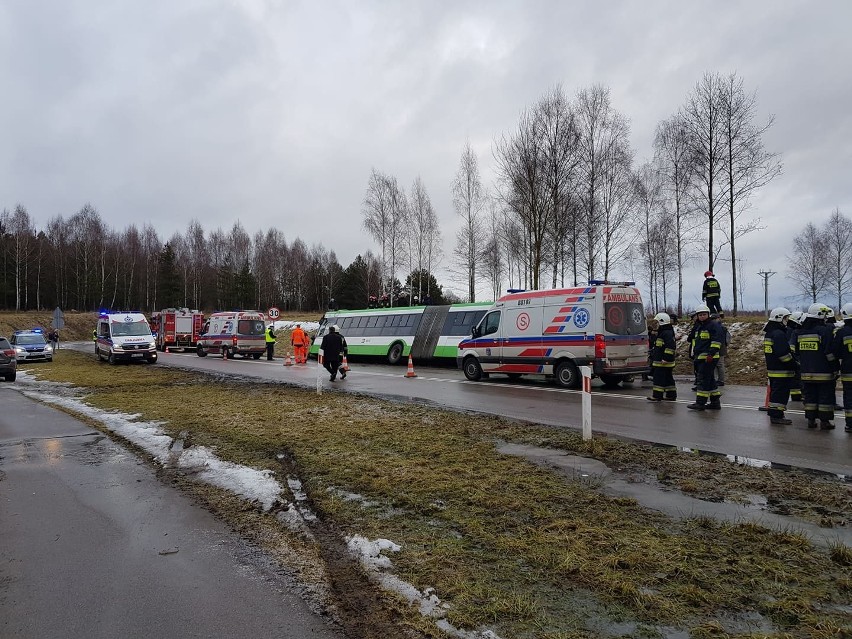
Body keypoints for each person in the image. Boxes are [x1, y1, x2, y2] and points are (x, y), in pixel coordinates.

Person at [793, 303, 837, 430]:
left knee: (810, 397)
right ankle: (825, 421)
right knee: (825, 397)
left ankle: (811, 420)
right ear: (820, 314)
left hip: (806, 372)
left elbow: (797, 352)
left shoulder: (800, 332)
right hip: (824, 372)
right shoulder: (825, 330)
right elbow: (829, 352)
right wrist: (835, 368)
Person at [762, 307, 796, 425]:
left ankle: (776, 414)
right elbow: (783, 354)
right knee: (780, 393)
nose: (787, 320)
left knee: (775, 392)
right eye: (786, 318)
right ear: (779, 318)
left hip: (773, 369)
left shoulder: (770, 333)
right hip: (782, 370)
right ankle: (776, 416)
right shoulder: (779, 334)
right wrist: (793, 365)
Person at [687, 305, 724, 411]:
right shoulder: (699, 326)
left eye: (704, 314)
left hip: (709, 357)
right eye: (700, 315)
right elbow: (692, 339)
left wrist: (711, 354)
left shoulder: (713, 326)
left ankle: (700, 403)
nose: (702, 317)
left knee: (702, 379)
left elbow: (716, 341)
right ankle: (715, 402)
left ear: (708, 315)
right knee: (710, 379)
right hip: (701, 357)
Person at [647, 312, 677, 402]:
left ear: (662, 322)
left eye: (657, 322)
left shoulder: (666, 333)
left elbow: (670, 347)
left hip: (663, 362)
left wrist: (666, 358)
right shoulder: (664, 332)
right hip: (664, 361)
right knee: (668, 379)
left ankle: (657, 395)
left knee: (658, 378)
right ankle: (671, 395)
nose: (655, 324)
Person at [832, 302, 852, 433]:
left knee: (849, 397)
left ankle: (850, 424)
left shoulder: (842, 332)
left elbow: (835, 352)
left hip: (848, 371)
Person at [786, 311, 805, 402]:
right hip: (796, 356)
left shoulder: (788, 329)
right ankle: (797, 395)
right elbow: (792, 345)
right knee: (798, 376)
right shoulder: (793, 331)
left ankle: (796, 395)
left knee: (795, 377)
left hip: (792, 356)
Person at [712, 314, 732, 386]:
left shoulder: (722, 328)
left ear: (719, 318)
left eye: (715, 318)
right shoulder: (719, 327)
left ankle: (721, 380)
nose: (714, 320)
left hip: (720, 349)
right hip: (717, 348)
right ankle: (717, 379)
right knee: (715, 365)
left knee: (720, 365)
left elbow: (728, 338)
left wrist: (725, 345)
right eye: (713, 319)